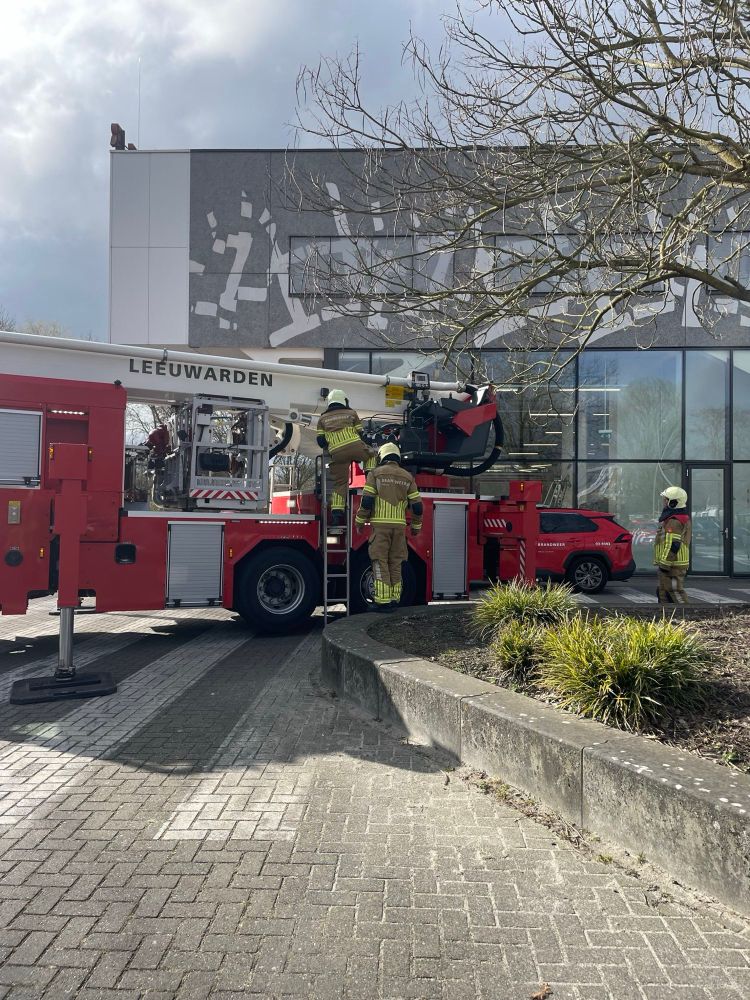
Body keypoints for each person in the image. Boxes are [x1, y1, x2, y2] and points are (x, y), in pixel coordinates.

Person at [355, 443, 423, 611]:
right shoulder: (408, 477)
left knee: (380, 561)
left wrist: (360, 521)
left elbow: (367, 501)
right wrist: (416, 526)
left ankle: (383, 601)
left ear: (382, 457)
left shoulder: (375, 474)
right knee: (396, 562)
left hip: (380, 527)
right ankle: (394, 599)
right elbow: (417, 506)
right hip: (399, 528)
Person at [317, 389, 376, 525]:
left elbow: (321, 442)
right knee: (372, 454)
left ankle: (337, 515)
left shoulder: (322, 418)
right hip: (354, 446)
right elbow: (361, 434)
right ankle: (370, 479)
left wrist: (332, 441)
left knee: (340, 484)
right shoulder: (351, 413)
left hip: (337, 453)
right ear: (344, 400)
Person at [654, 486, 691, 604]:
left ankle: (685, 616)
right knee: (663, 591)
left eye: (665, 500)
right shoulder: (675, 518)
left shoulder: (674, 521)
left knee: (675, 591)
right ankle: (665, 617)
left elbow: (673, 545)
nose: (663, 502)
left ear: (673, 503)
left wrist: (664, 565)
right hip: (671, 563)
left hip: (673, 565)